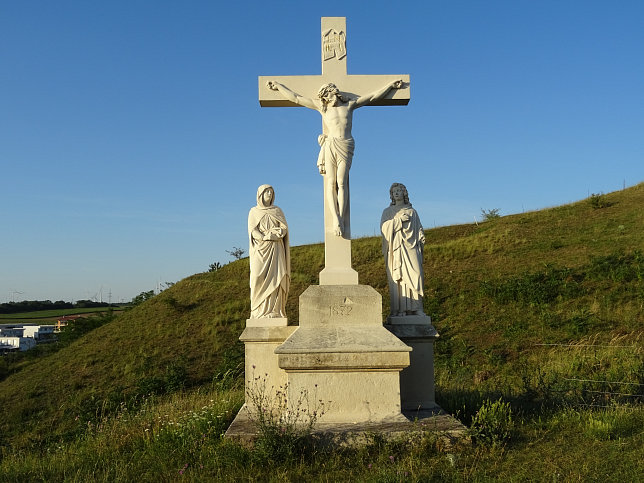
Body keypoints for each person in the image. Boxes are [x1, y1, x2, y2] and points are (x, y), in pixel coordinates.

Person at [267, 79, 404, 237]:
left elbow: (372, 96)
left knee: (342, 182)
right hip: (331, 145)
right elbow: (296, 98)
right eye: (324, 96)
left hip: (346, 145)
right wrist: (279, 87)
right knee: (331, 182)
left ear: (335, 92)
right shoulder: (323, 108)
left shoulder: (349, 105)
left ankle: (341, 217)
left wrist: (390, 86)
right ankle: (336, 219)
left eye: (329, 94)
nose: (327, 98)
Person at [380, 183, 426, 317]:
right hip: (397, 249)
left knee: (416, 275)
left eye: (399, 190)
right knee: (399, 279)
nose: (396, 193)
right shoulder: (388, 212)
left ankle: (417, 308)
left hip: (411, 248)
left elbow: (418, 228)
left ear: (404, 193)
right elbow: (384, 229)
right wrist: (399, 221)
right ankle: (401, 309)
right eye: (394, 191)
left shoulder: (412, 212)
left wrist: (421, 235)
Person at [248, 184, 290, 318]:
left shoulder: (277, 211)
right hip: (261, 249)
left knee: (276, 278)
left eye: (271, 192)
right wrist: (265, 237)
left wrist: (278, 233)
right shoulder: (253, 211)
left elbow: (284, 228)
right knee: (257, 277)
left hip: (276, 249)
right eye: (267, 192)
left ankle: (274, 310)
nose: (270, 195)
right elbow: (253, 231)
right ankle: (257, 310)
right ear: (260, 195)